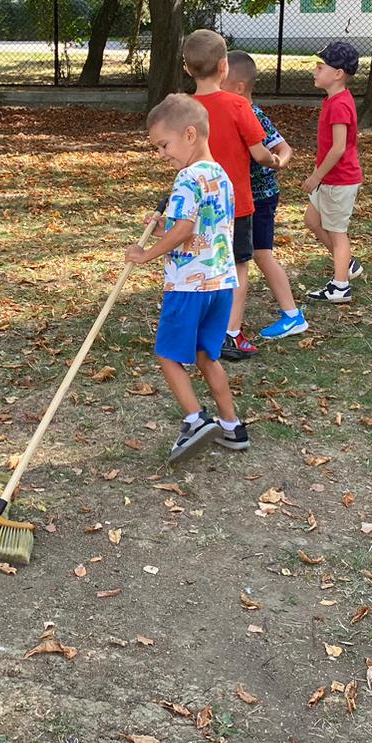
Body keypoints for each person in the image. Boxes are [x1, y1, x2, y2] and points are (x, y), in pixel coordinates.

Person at [126, 93, 248, 459]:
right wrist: (166, 223)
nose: (162, 154)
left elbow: (185, 231)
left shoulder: (186, 177)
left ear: (190, 134)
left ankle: (196, 419)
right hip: (221, 284)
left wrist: (146, 253)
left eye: (164, 145)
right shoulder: (220, 174)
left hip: (189, 284)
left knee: (167, 353)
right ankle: (232, 426)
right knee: (206, 355)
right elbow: (203, 226)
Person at [182, 30, 280, 359]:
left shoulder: (185, 110)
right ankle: (230, 334)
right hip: (235, 205)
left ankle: (200, 328)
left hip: (199, 205)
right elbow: (260, 152)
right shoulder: (238, 105)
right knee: (237, 268)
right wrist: (275, 160)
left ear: (187, 67)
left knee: (205, 265)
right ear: (224, 66)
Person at [222, 51, 306, 341]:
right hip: (240, 199)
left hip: (260, 198)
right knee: (251, 255)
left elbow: (283, 148)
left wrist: (277, 161)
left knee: (261, 254)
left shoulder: (253, 114)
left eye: (221, 81)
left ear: (239, 87)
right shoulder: (227, 112)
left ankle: (293, 316)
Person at [303, 42, 365, 303]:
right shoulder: (332, 100)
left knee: (338, 234)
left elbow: (339, 148)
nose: (315, 71)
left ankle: (341, 286)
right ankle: (347, 264)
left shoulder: (339, 104)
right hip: (328, 179)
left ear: (338, 74)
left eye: (320, 67)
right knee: (312, 221)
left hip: (339, 181)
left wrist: (317, 176)